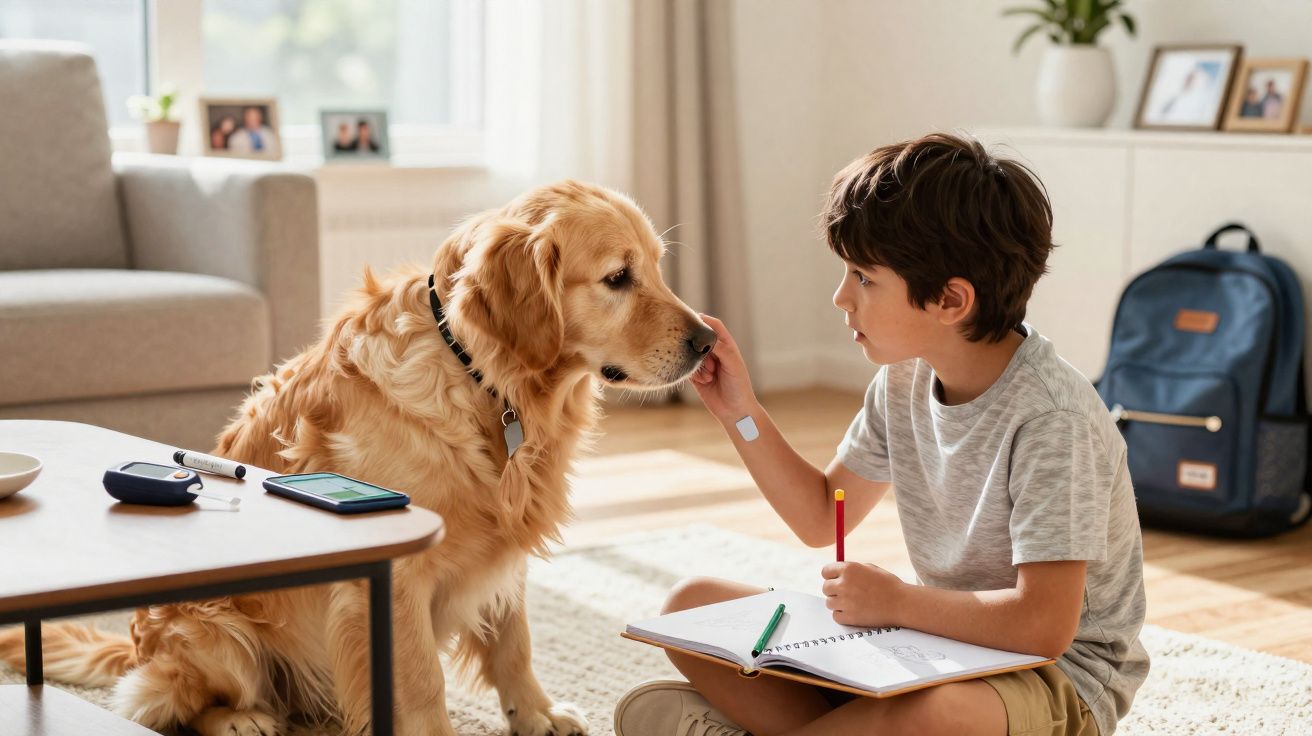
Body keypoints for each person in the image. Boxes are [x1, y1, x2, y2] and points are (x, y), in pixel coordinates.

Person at [613, 132, 1149, 736]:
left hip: (1054, 680)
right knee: (695, 604)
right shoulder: (903, 381)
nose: (841, 298)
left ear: (950, 300)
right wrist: (739, 410)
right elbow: (822, 515)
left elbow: (1043, 627)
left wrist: (897, 603)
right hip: (936, 644)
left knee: (939, 712)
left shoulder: (1054, 420)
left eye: (864, 278)